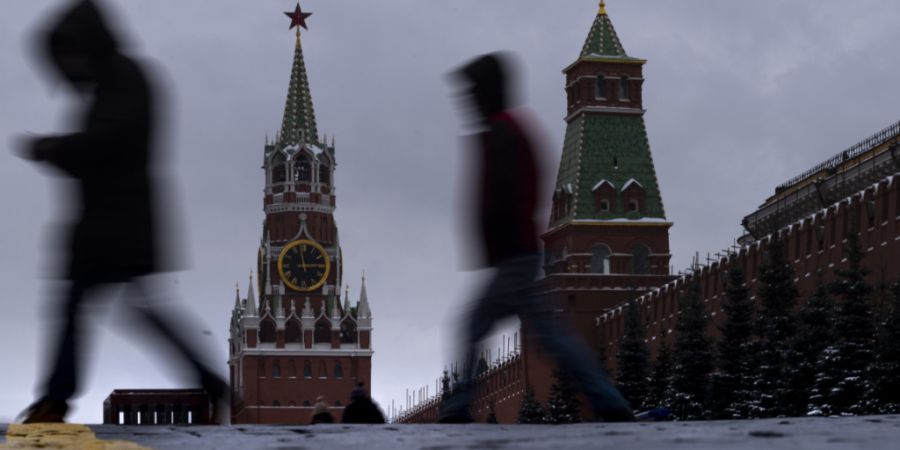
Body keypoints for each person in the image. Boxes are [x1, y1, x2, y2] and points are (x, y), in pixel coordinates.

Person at [15, 0, 227, 424]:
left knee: (89, 305)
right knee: (124, 307)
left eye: (69, 54)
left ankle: (56, 399)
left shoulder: (122, 78)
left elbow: (112, 141)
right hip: (111, 221)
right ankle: (211, 382)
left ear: (85, 44)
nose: (67, 68)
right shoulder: (117, 80)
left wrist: (57, 148)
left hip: (118, 221)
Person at [439, 52, 635, 423]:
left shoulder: (503, 131)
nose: (466, 100)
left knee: (474, 325)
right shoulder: (509, 128)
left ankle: (459, 405)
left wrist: (497, 239)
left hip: (513, 254)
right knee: (553, 337)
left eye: (471, 92)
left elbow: (505, 195)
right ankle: (608, 400)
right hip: (519, 253)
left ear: (487, 91)